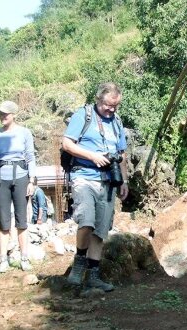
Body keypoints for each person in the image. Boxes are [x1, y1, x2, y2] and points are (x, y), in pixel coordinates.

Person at [62, 82, 129, 292]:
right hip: (84, 176)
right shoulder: (83, 115)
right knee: (87, 222)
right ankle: (79, 262)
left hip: (108, 180)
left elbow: (122, 155)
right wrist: (92, 156)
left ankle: (93, 275)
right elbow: (67, 144)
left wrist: (124, 181)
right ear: (98, 99)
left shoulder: (116, 122)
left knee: (100, 231)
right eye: (108, 105)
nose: (111, 110)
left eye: (115, 106)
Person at [0, 100, 37, 273]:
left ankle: (24, 258)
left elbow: (30, 157)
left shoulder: (24, 133)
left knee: (22, 220)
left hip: (21, 178)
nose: (2, 116)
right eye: (0, 113)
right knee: (4, 222)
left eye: (5, 114)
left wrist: (32, 181)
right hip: (1, 180)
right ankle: (2, 260)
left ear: (13, 115)